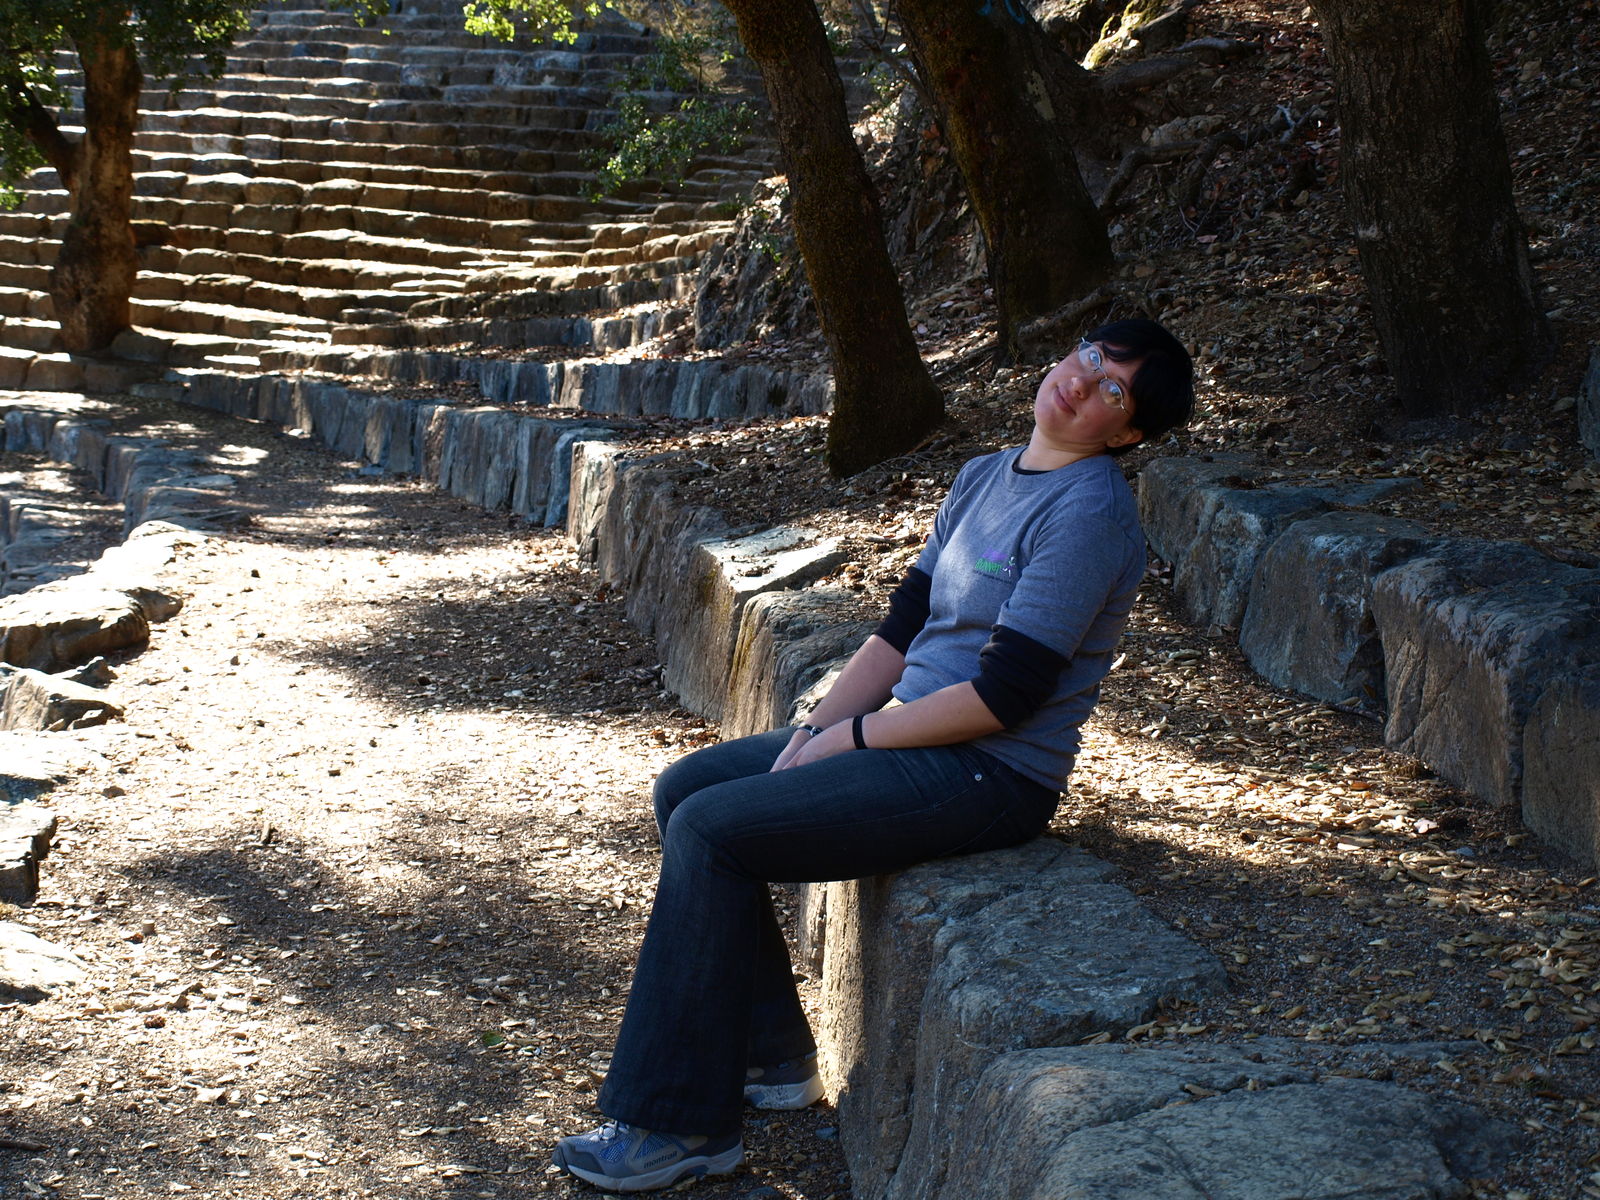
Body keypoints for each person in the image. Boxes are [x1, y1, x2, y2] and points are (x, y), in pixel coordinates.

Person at [551, 318, 1195, 1192]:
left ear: (1126, 434)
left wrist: (849, 739)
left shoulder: (1089, 514)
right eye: (1089, 358)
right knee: (687, 789)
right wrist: (814, 729)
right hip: (915, 739)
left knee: (711, 831)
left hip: (989, 772)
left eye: (1113, 389)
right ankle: (772, 1057)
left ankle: (677, 1124)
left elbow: (1004, 697)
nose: (1082, 384)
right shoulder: (986, 475)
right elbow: (900, 631)